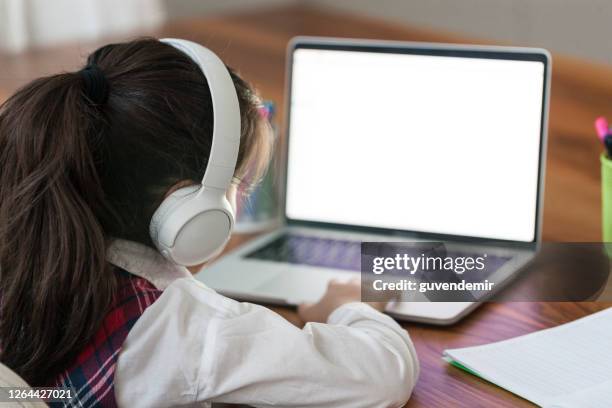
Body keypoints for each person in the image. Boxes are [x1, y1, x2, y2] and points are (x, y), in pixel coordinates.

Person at [0, 38, 419, 407]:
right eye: (242, 185)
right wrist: (351, 307)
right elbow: (381, 377)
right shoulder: (182, 327)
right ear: (189, 209)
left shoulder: (22, 253)